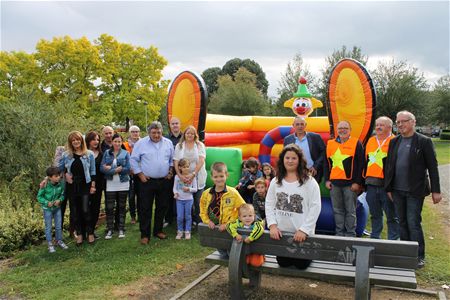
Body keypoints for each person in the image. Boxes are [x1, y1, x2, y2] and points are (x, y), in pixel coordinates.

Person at [384, 111, 441, 268]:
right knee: (401, 222)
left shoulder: (424, 142)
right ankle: (405, 253)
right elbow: (389, 166)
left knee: (413, 223)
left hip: (415, 191)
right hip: (396, 190)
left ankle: (418, 256)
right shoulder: (394, 142)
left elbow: (433, 168)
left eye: (404, 121)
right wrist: (388, 187)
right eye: (398, 122)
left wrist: (436, 190)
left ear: (413, 122)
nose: (400, 124)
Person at [266, 144, 322, 269]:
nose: (290, 161)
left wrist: (304, 230)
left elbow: (315, 207)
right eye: (287, 158)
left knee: (301, 265)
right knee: (283, 263)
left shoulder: (309, 182)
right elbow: (269, 204)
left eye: (294, 158)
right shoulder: (276, 181)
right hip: (281, 235)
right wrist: (272, 225)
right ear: (282, 160)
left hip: (302, 236)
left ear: (299, 160)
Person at [131, 121, 174, 245]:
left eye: (159, 132)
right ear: (149, 132)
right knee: (145, 208)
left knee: (162, 206)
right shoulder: (141, 143)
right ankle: (145, 234)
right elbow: (133, 159)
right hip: (147, 181)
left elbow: (172, 159)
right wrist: (140, 174)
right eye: (154, 133)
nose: (156, 135)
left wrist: (170, 171)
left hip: (164, 181)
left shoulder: (168, 143)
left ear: (162, 132)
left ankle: (158, 230)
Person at [324, 120, 365, 237]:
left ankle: (350, 234)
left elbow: (361, 164)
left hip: (350, 184)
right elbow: (326, 164)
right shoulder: (330, 143)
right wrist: (327, 179)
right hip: (334, 184)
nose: (342, 130)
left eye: (345, 128)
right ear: (337, 130)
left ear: (350, 130)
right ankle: (339, 234)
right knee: (337, 210)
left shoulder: (356, 143)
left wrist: (357, 182)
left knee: (350, 211)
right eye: (340, 128)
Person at [363, 117, 399, 240]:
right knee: (375, 214)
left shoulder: (395, 141)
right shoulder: (371, 141)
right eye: (377, 125)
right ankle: (375, 237)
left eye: (382, 125)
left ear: (390, 127)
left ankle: (393, 240)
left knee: (392, 215)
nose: (378, 127)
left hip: (387, 185)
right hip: (371, 184)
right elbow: (366, 160)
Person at [200, 162, 246, 258]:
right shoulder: (206, 194)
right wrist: (207, 221)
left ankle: (234, 265)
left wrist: (228, 224)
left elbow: (243, 208)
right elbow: (202, 211)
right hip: (215, 229)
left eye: (221, 176)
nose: (219, 179)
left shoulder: (233, 192)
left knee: (231, 253)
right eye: (216, 177)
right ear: (212, 177)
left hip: (229, 229)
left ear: (227, 175)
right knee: (222, 252)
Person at [59, 131, 96, 245]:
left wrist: (93, 186)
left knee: (85, 210)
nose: (75, 142)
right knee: (75, 212)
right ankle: (79, 234)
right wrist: (65, 175)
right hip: (72, 186)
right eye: (73, 140)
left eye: (77, 139)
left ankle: (90, 233)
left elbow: (93, 170)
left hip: (85, 185)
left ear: (81, 140)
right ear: (70, 142)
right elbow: (60, 168)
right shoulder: (66, 155)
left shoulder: (89, 154)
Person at [173, 125, 207, 226]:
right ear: (185, 134)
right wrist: (179, 175)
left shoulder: (200, 145)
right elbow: (176, 161)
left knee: (198, 200)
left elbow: (201, 160)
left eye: (192, 133)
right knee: (186, 198)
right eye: (188, 133)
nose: (190, 135)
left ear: (195, 135)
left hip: (197, 175)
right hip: (183, 176)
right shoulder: (180, 146)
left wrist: (193, 174)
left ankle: (199, 221)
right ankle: (189, 221)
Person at [101, 134, 131, 239]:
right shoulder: (106, 153)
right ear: (112, 142)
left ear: (121, 142)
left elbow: (128, 168)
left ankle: (121, 229)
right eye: (115, 141)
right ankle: (110, 229)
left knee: (121, 207)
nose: (117, 143)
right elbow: (101, 168)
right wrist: (115, 170)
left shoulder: (126, 153)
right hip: (110, 184)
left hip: (123, 183)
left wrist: (111, 169)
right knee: (109, 207)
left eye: (119, 141)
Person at [283, 116, 326, 183]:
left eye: (302, 124)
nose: (300, 126)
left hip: (312, 172)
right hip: (295, 173)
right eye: (297, 124)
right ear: (293, 125)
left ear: (305, 125)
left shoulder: (315, 137)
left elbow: (323, 152)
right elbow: (285, 156)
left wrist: (315, 166)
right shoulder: (288, 139)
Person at [37, 166, 69, 253]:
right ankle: (50, 244)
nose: (58, 177)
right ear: (50, 177)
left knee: (58, 226)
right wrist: (47, 203)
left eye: (59, 175)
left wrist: (60, 200)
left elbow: (63, 195)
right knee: (48, 227)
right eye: (56, 176)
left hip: (57, 209)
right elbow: (39, 197)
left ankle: (59, 241)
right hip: (47, 210)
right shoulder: (45, 185)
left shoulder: (60, 184)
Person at [85, 131, 104, 240]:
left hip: (98, 185)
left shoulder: (101, 154)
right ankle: (84, 230)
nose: (96, 142)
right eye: (94, 139)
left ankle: (91, 231)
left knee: (95, 209)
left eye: (98, 140)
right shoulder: (84, 153)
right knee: (85, 208)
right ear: (88, 140)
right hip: (85, 185)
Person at [173, 158, 198, 240]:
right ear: (180, 168)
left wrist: (189, 189)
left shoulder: (192, 177)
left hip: (189, 200)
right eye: (184, 167)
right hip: (179, 200)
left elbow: (195, 189)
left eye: (187, 166)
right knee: (180, 216)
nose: (186, 168)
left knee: (188, 216)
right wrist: (175, 193)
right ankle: (180, 231)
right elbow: (175, 188)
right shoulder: (177, 177)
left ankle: (187, 231)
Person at [164, 117, 182, 226]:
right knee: (169, 195)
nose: (175, 125)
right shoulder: (165, 139)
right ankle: (168, 218)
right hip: (170, 172)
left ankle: (184, 217)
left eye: (176, 123)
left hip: (183, 171)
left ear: (180, 125)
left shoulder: (185, 137)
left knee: (183, 194)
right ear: (170, 126)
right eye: (172, 124)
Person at [123, 125, 141, 224]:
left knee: (141, 196)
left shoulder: (143, 143)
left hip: (141, 173)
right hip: (129, 174)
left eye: (137, 131)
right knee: (131, 196)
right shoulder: (125, 145)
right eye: (133, 131)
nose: (135, 133)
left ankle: (140, 214)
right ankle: (133, 216)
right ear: (130, 133)